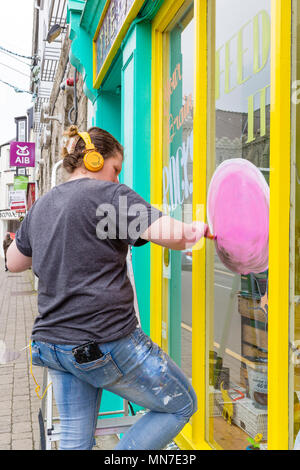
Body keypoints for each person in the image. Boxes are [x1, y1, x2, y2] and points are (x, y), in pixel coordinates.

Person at [6, 125, 208, 451]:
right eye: (115, 169)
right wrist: (195, 229)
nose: (116, 178)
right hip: (103, 340)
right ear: (96, 160)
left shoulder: (41, 206)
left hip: (53, 345)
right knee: (180, 403)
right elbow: (169, 234)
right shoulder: (109, 196)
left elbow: (13, 262)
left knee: (75, 439)